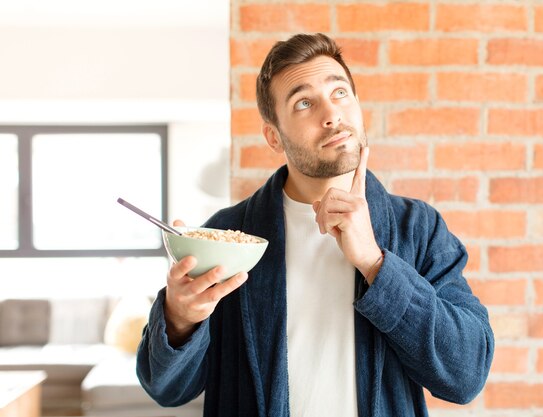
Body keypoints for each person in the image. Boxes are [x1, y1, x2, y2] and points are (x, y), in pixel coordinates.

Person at [137, 33, 494, 417]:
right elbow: (167, 389)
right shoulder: (226, 235)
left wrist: (376, 264)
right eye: (304, 102)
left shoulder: (418, 227)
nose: (331, 114)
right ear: (274, 136)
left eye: (340, 93)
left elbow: (465, 375)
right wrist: (179, 318)